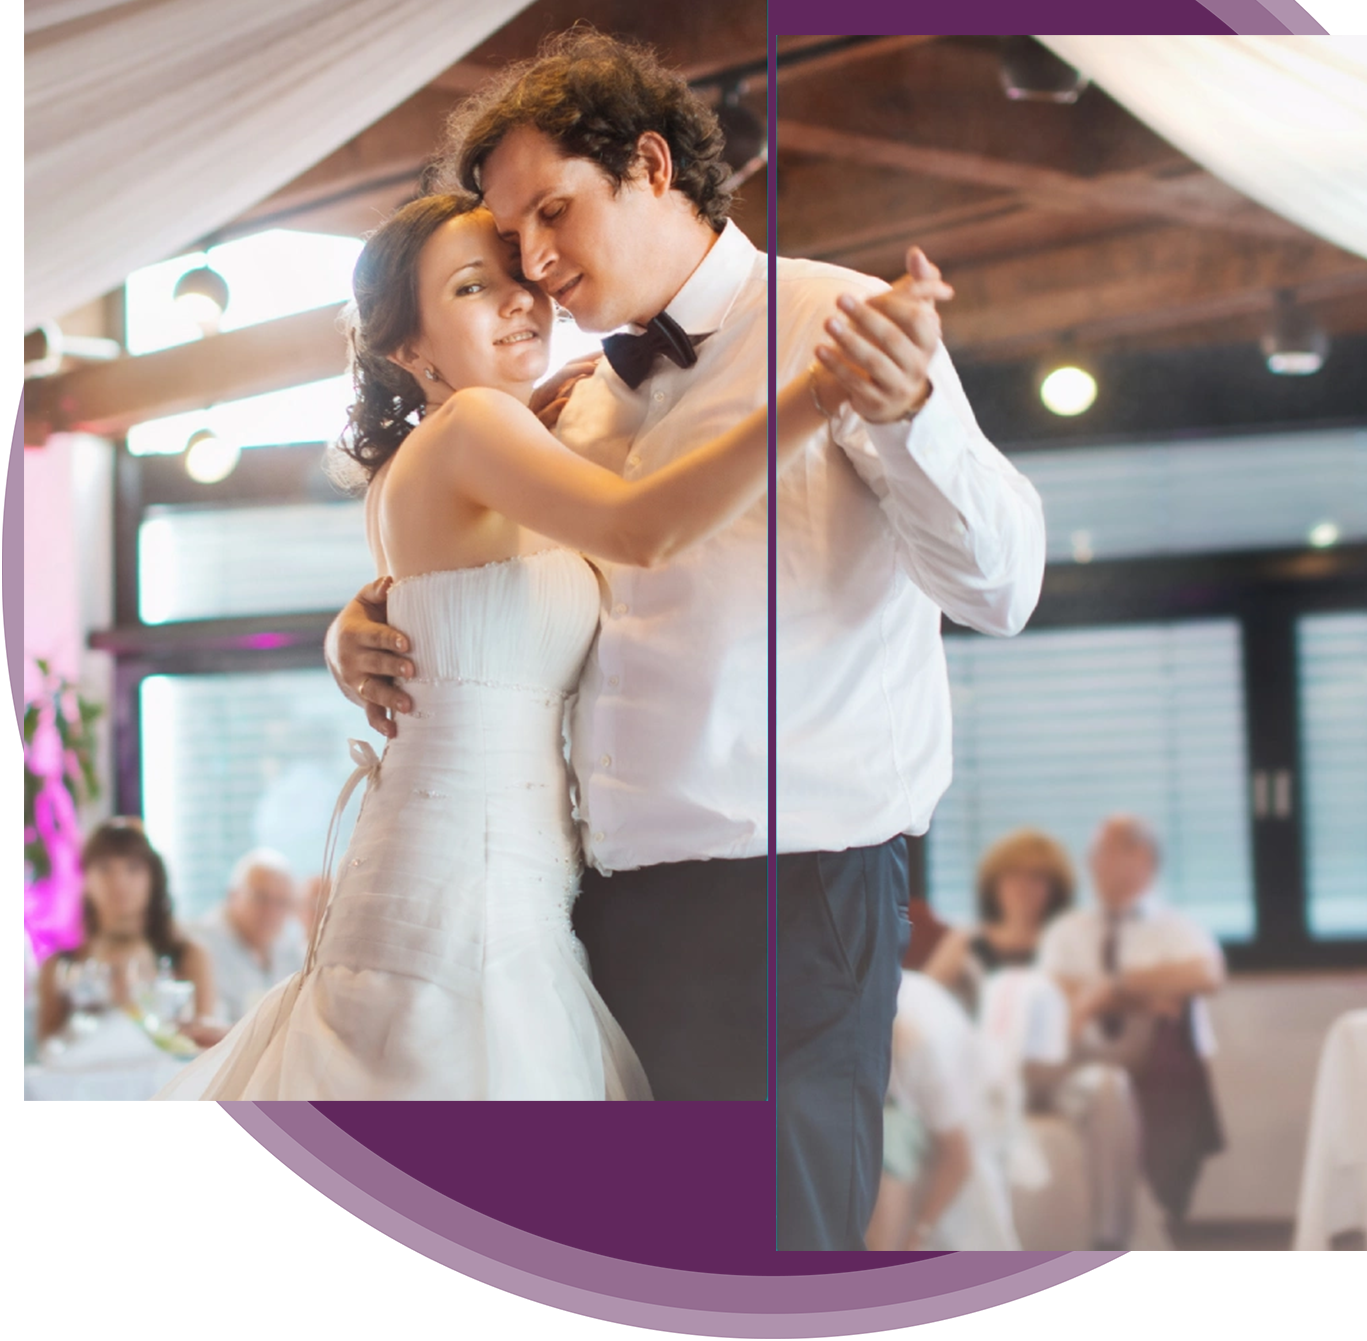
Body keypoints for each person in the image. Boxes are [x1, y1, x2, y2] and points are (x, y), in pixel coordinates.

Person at [326, 33, 1045, 1220]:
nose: (538, 264)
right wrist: (364, 622)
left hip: (791, 896)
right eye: (513, 243)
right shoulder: (572, 402)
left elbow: (1002, 587)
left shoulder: (844, 323)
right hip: (592, 905)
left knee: (772, 1264)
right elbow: (495, 579)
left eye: (555, 214)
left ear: (651, 165)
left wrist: (911, 410)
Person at [157, 187, 872, 1103]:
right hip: (471, 891)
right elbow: (646, 530)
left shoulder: (464, 445)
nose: (519, 299)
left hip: (464, 874)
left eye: (517, 277)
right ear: (408, 348)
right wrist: (821, 390)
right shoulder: (473, 427)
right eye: (470, 288)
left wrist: (352, 627)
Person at [1037, 813, 1228, 1245]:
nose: (1092, 862)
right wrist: (1143, 993)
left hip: (1158, 1064)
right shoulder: (1068, 930)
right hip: (1080, 1058)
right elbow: (1055, 989)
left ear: (1139, 858)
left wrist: (1112, 987)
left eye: (1103, 851)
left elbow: (1205, 974)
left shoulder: (1176, 928)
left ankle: (1144, 1234)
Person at [866, 970, 1018, 1251]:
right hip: (891, 1089)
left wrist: (916, 1237)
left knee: (889, 1144)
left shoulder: (926, 1046)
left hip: (952, 1099)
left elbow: (958, 1157)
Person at [37, 820, 220, 1046]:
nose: (119, 882)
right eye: (105, 868)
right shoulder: (57, 966)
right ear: (85, 879)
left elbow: (204, 1044)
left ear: (153, 877)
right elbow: (48, 1051)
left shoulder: (189, 956)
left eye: (133, 868)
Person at [924, 828, 1076, 1012]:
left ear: (1055, 888)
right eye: (1013, 875)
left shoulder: (1066, 945)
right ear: (994, 883)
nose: (1023, 887)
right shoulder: (966, 942)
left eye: (1036, 877)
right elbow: (925, 997)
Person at [194, 848, 307, 1023]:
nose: (271, 912)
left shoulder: (291, 950)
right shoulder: (199, 947)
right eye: (261, 898)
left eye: (282, 903)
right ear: (232, 895)